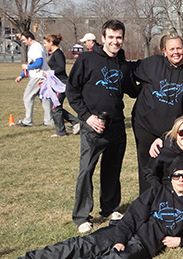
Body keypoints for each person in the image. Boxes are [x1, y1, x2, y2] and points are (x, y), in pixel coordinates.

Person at [0, 159, 183, 259]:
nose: (180, 179)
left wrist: (180, 241)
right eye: (176, 176)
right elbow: (132, 216)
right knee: (82, 245)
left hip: (144, 244)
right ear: (170, 178)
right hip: (122, 231)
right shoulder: (157, 192)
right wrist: (120, 237)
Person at [67, 20, 139, 234]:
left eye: (119, 38)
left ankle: (109, 208)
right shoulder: (87, 59)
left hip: (116, 125)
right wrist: (87, 117)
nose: (115, 41)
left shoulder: (122, 64)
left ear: (122, 39)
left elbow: (133, 91)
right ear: (103, 39)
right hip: (93, 126)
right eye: (111, 37)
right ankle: (81, 216)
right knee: (87, 169)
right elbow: (72, 91)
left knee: (112, 168)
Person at [132, 32, 183, 194]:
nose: (175, 52)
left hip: (174, 132)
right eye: (171, 49)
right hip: (146, 127)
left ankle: (171, 202)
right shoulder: (152, 64)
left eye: (179, 48)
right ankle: (148, 202)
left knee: (173, 168)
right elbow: (128, 71)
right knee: (147, 168)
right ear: (164, 51)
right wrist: (134, 90)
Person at [144, 115, 183, 205]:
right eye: (182, 132)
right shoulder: (162, 149)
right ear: (175, 133)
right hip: (167, 190)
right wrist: (159, 190)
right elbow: (149, 172)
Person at [43, 33, 80, 137]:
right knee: (55, 108)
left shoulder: (58, 53)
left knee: (56, 108)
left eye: (45, 43)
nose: (44, 45)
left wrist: (49, 73)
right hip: (56, 83)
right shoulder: (54, 53)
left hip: (62, 84)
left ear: (51, 42)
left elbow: (61, 68)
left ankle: (61, 132)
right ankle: (76, 122)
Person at [15, 31, 52, 127]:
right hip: (41, 76)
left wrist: (27, 67)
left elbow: (39, 62)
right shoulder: (34, 47)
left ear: (29, 38)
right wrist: (21, 76)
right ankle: (49, 121)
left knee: (27, 97)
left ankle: (28, 121)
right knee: (44, 99)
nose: (23, 42)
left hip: (37, 77)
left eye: (23, 39)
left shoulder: (36, 47)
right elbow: (31, 64)